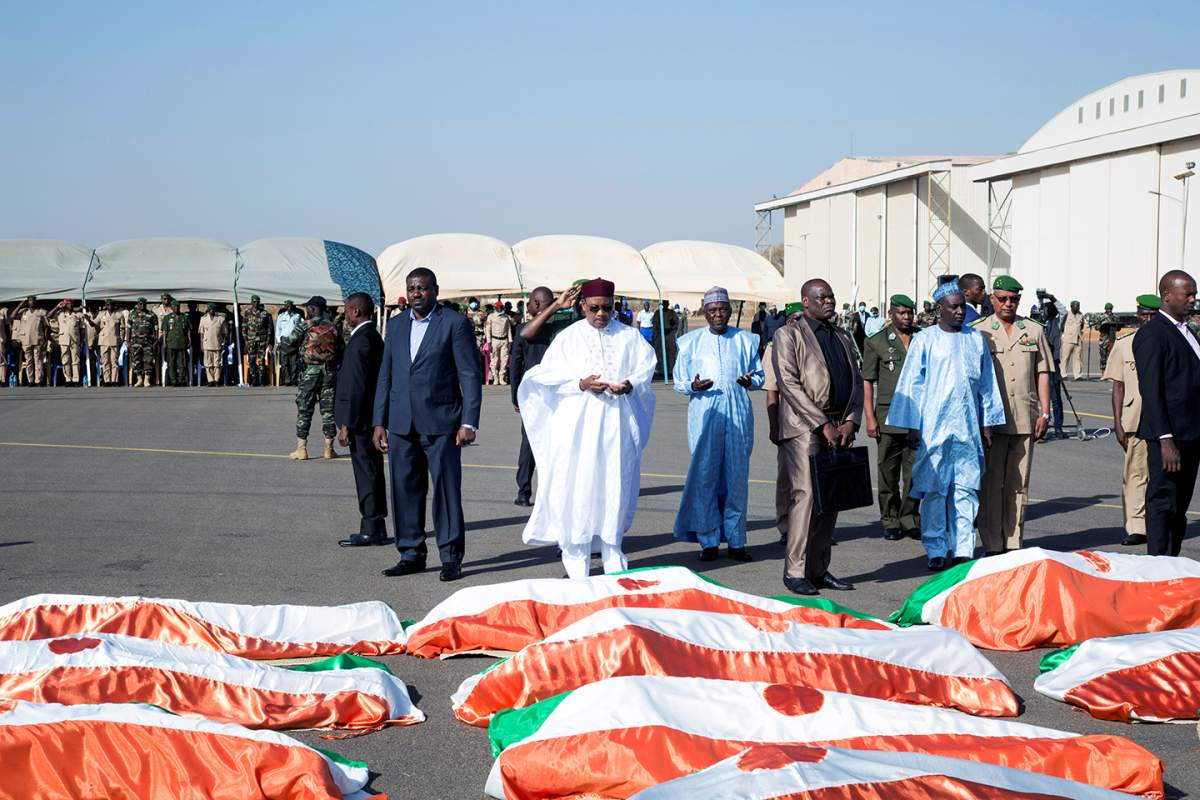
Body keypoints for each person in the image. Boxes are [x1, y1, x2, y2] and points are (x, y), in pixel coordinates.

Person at [517, 277, 656, 578]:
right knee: (578, 487)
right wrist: (579, 384)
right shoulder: (568, 338)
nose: (601, 315)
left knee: (614, 487)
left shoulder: (629, 338)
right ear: (582, 307)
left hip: (616, 427)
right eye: (594, 308)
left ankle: (612, 553)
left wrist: (630, 385)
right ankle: (576, 559)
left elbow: (646, 368)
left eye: (607, 308)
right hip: (578, 428)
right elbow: (544, 376)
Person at [888, 277, 1005, 570]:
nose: (960, 312)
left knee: (966, 488)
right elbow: (912, 384)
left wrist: (987, 423)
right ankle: (936, 548)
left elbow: (987, 384)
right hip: (933, 428)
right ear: (940, 308)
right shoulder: (925, 339)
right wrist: (913, 425)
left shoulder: (975, 339)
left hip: (967, 427)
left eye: (962, 307)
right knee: (934, 489)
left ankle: (964, 548)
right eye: (953, 307)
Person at [372, 268, 481, 582]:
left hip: (442, 423)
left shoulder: (455, 324)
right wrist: (380, 421)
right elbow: (386, 376)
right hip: (401, 423)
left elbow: (470, 375)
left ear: (435, 289)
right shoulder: (395, 325)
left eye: (422, 288)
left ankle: (450, 557)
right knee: (405, 491)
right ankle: (410, 553)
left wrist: (469, 421)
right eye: (411, 288)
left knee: (446, 492)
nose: (416, 293)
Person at [772, 278, 862, 596]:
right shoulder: (788, 334)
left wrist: (851, 421)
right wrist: (822, 422)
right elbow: (788, 383)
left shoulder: (843, 335)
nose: (829, 301)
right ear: (805, 301)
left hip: (838, 426)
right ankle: (795, 571)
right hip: (803, 427)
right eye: (821, 297)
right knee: (806, 497)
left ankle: (818, 569)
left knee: (829, 500)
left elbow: (856, 380)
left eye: (831, 296)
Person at [671, 287, 764, 561]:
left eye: (723, 309)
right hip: (705, 414)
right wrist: (693, 385)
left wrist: (751, 381)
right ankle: (708, 541)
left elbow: (758, 376)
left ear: (730, 310)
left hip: (737, 415)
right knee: (705, 478)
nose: (718, 315)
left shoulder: (746, 340)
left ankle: (736, 541)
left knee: (737, 479)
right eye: (712, 310)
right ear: (705, 312)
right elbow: (678, 383)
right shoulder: (690, 342)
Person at [972, 275, 1054, 555]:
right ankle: (993, 543)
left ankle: (1013, 541)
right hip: (991, 422)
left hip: (1024, 418)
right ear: (992, 299)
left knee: (1019, 483)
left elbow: (1042, 372)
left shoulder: (1033, 330)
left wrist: (1045, 411)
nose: (1009, 304)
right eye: (1003, 298)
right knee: (992, 484)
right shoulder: (978, 331)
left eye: (1014, 299)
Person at [1133, 270, 1200, 557]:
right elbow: (1152, 391)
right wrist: (1165, 438)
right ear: (1167, 295)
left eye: (1194, 294)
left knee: (1180, 506)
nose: (1193, 300)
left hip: (1191, 434)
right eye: (1188, 294)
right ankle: (1158, 564)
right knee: (1163, 502)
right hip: (1170, 438)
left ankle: (1171, 562)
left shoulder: (1186, 331)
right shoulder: (1153, 334)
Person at [511, 285, 580, 506]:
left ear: (538, 304)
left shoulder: (539, 326)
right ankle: (536, 491)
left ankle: (525, 491)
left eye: (530, 301)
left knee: (533, 443)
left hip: (543, 394)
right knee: (542, 442)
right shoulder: (558, 325)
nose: (528, 305)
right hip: (549, 394)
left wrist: (515, 396)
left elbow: (515, 367)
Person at [862, 294, 921, 541]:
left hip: (917, 417)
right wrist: (870, 417)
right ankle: (890, 520)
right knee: (888, 471)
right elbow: (867, 381)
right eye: (901, 313)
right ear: (891, 314)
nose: (906, 317)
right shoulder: (876, 342)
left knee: (914, 472)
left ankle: (910, 519)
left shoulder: (923, 338)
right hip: (887, 416)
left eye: (909, 313)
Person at [333, 293, 389, 548]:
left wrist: (347, 424)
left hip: (361, 421)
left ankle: (371, 528)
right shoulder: (371, 337)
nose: (344, 315)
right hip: (368, 419)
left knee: (367, 474)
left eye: (346, 310)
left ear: (356, 311)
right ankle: (376, 525)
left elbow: (357, 387)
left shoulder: (362, 341)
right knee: (372, 472)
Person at [1104, 295, 1160, 547]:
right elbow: (1118, 386)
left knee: (1161, 477)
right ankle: (1137, 527)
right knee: (1136, 474)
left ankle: (1158, 523)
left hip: (1164, 421)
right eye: (1144, 314)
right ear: (1137, 314)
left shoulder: (1168, 340)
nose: (1147, 319)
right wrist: (1117, 422)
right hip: (1135, 419)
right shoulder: (1125, 344)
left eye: (1152, 315)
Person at [278, 296, 342, 460]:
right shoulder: (334, 327)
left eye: (308, 308)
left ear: (313, 309)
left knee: (304, 409)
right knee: (328, 411)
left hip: (310, 374)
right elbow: (342, 350)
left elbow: (287, 345)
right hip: (329, 373)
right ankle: (329, 449)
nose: (306, 311)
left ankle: (302, 449)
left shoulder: (305, 326)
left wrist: (285, 340)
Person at [762, 303, 804, 544]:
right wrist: (774, 426)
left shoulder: (818, 343)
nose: (798, 323)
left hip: (818, 422)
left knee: (815, 478)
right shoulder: (774, 347)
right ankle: (786, 525)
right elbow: (771, 392)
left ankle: (813, 527)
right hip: (788, 421)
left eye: (802, 318)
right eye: (794, 318)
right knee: (787, 478)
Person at [1039, 295, 1067, 439]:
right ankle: (1040, 424)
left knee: (1055, 398)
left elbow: (1064, 312)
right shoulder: (1041, 323)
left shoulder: (1057, 322)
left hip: (1053, 363)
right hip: (1041, 362)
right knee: (1038, 396)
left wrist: (1052, 298)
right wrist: (1040, 301)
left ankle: (1058, 426)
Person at [47, 300, 84, 386]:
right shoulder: (60, 314)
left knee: (75, 360)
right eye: (67, 303)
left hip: (75, 340)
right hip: (64, 340)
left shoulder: (78, 315)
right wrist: (57, 307)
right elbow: (48, 316)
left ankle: (76, 379)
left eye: (70, 303)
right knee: (65, 360)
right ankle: (68, 379)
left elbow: (82, 329)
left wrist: (81, 340)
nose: (69, 305)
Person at [14, 296, 49, 386]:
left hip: (37, 339)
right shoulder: (24, 311)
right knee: (29, 361)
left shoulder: (40, 312)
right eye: (29, 301)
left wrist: (45, 339)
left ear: (35, 302)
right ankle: (31, 380)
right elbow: (12, 316)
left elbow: (46, 326)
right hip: (26, 340)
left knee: (38, 360)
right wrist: (20, 305)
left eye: (33, 301)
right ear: (27, 302)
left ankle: (38, 380)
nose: (31, 302)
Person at [241, 295, 273, 386]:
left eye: (257, 301)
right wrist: (246, 341)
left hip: (262, 341)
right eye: (254, 301)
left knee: (261, 360)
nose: (256, 303)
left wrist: (268, 341)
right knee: (251, 360)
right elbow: (244, 327)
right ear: (251, 302)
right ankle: (254, 379)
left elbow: (268, 328)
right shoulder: (247, 312)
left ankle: (261, 380)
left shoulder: (265, 313)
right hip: (251, 340)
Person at [127, 297, 158, 388]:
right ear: (137, 304)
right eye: (140, 304)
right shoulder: (132, 314)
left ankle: (146, 380)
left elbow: (156, 329)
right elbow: (128, 328)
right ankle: (139, 379)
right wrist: (128, 341)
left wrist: (155, 340)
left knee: (148, 360)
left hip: (148, 341)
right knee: (136, 360)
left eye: (144, 304)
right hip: (135, 341)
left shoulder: (152, 315)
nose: (142, 305)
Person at [94, 300, 124, 386]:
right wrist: (89, 320)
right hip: (103, 340)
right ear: (105, 306)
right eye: (108, 304)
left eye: (111, 304)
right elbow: (94, 323)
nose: (109, 306)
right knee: (105, 361)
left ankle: (114, 380)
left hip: (114, 340)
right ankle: (107, 380)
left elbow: (122, 328)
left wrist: (121, 339)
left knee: (114, 361)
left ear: (114, 306)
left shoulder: (119, 315)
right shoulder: (101, 314)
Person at [161, 300, 190, 386]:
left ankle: (181, 379)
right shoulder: (167, 318)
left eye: (177, 306)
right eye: (174, 307)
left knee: (182, 363)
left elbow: (188, 330)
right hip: (171, 343)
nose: (176, 308)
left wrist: (189, 339)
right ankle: (173, 380)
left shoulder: (184, 317)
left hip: (182, 343)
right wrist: (164, 343)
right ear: (171, 308)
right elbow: (164, 332)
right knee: (171, 363)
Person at [197, 303, 226, 387]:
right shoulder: (203, 319)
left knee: (217, 364)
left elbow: (224, 333)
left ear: (215, 310)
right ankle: (210, 380)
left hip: (217, 344)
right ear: (208, 310)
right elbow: (201, 333)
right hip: (207, 344)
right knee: (208, 363)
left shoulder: (221, 319)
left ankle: (216, 380)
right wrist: (201, 345)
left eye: (213, 309)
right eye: (210, 309)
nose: (211, 311)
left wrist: (223, 343)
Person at [487, 301, 513, 386]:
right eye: (499, 308)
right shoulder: (490, 317)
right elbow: (488, 330)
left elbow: (508, 329)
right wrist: (489, 342)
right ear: (496, 308)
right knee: (494, 360)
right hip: (494, 340)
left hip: (504, 340)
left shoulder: (506, 317)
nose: (501, 309)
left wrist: (510, 341)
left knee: (504, 360)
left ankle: (502, 377)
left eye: (502, 308)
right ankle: (495, 378)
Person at [1060, 300, 1085, 380]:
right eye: (1076, 306)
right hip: (1068, 339)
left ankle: (1077, 375)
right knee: (1065, 358)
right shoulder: (1067, 314)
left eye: (1078, 306)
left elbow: (1082, 326)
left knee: (1078, 358)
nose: (1077, 308)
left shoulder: (1081, 315)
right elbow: (1061, 326)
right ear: (1071, 307)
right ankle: (1063, 374)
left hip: (1078, 339)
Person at [1096, 303, 1120, 373]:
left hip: (1112, 339)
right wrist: (1102, 326)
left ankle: (1110, 373)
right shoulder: (1101, 317)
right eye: (1107, 309)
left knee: (1112, 357)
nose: (1109, 311)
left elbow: (1118, 328)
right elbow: (1096, 327)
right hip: (1103, 340)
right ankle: (1103, 372)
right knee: (1103, 357)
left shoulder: (1115, 317)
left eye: (1110, 309)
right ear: (1105, 309)